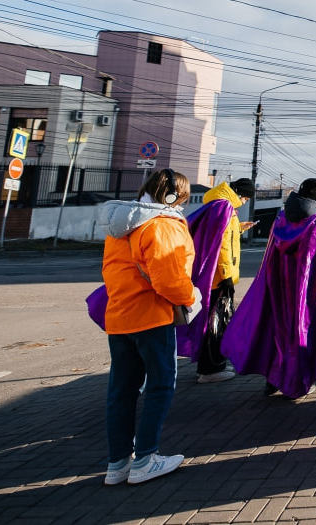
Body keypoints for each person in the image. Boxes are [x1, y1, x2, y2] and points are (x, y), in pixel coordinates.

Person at [100, 168, 200, 486]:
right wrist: (191, 297)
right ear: (172, 197)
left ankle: (117, 464)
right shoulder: (162, 226)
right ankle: (145, 459)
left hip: (119, 317)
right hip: (152, 318)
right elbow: (170, 279)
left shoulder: (122, 224)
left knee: (122, 390)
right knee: (161, 385)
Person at [222, 178, 316, 399]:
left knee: (275, 328)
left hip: (277, 285)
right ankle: (295, 381)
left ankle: (273, 379)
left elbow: (271, 256)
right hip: (306, 291)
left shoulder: (280, 218)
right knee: (301, 331)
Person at [178, 177, 256, 383]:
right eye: (246, 197)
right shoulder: (225, 207)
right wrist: (226, 276)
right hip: (219, 279)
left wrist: (239, 228)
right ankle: (211, 369)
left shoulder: (216, 204)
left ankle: (210, 366)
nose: (245, 201)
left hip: (214, 278)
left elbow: (216, 235)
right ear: (240, 193)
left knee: (213, 321)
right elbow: (221, 245)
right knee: (216, 323)